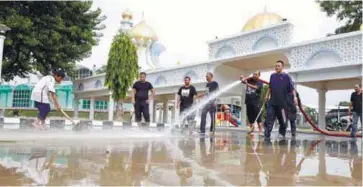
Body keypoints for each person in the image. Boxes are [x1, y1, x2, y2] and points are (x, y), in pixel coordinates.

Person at [263, 60, 298, 139]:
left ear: (282, 67)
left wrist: (295, 97)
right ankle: (266, 134)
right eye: (276, 66)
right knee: (269, 117)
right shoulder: (272, 76)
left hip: (283, 104)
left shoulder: (286, 77)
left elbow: (292, 89)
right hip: (272, 102)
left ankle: (282, 133)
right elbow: (270, 87)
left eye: (278, 66)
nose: (277, 67)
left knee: (283, 120)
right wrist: (266, 95)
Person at [240, 71, 264, 136]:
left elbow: (256, 87)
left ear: (259, 75)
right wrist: (242, 78)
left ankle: (260, 131)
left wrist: (247, 84)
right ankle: (251, 130)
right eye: (253, 74)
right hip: (248, 101)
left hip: (256, 102)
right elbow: (243, 81)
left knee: (258, 117)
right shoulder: (249, 80)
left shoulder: (260, 82)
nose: (254, 75)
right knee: (250, 117)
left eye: (256, 74)